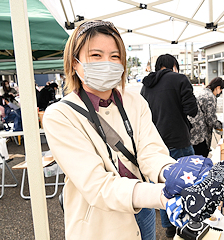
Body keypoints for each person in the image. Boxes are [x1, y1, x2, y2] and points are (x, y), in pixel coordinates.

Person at [43, 21, 177, 240]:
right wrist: (165, 196)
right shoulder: (59, 115)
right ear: (75, 63)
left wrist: (172, 174)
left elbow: (150, 151)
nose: (107, 63)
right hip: (99, 221)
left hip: (143, 207)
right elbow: (97, 185)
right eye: (96, 55)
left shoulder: (135, 101)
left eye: (115, 57)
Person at [140, 54, 198, 238]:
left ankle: (169, 226)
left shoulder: (145, 86)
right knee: (189, 182)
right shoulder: (179, 79)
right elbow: (192, 110)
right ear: (173, 66)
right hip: (178, 140)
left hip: (155, 144)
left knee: (164, 184)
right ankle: (189, 222)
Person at [189, 77, 224, 157]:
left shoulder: (203, 92)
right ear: (218, 87)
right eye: (221, 91)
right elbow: (211, 119)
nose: (219, 93)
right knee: (201, 159)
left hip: (192, 132)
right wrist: (222, 126)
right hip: (200, 135)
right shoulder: (210, 97)